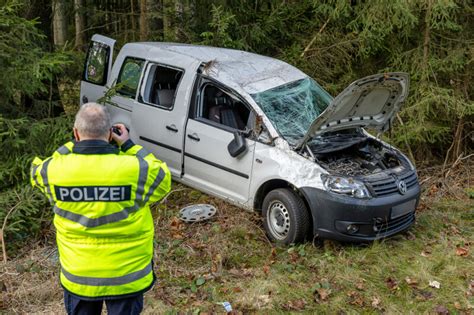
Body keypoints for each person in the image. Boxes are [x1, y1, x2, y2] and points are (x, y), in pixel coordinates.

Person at [30, 102, 171, 315]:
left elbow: (37, 169)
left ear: (76, 132)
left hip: (80, 276)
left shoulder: (54, 171)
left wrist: (72, 144)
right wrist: (128, 145)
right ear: (109, 134)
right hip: (127, 275)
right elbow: (163, 177)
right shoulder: (135, 170)